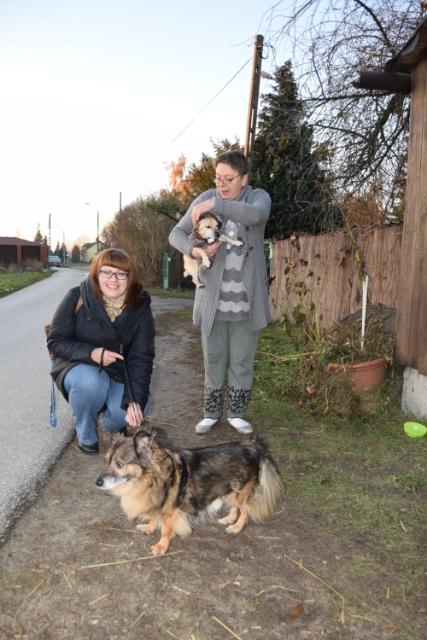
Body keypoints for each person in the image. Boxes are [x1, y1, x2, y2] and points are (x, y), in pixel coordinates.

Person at [169, 150, 271, 435]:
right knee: (213, 360)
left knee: (242, 362)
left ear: (244, 179)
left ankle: (236, 414)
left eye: (228, 179)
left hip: (247, 305)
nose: (221, 184)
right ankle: (211, 413)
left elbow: (257, 215)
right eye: (218, 178)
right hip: (212, 303)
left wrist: (218, 204)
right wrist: (194, 251)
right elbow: (176, 234)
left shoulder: (257, 197)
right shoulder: (205, 198)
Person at [47, 248, 155, 454]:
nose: (113, 279)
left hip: (119, 371)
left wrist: (134, 400)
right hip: (78, 367)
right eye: (106, 272)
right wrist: (92, 353)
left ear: (130, 277)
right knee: (90, 382)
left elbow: (141, 357)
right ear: (96, 273)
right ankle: (86, 432)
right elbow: (56, 342)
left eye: (121, 273)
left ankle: (107, 422)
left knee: (140, 406)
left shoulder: (140, 306)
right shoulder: (77, 296)